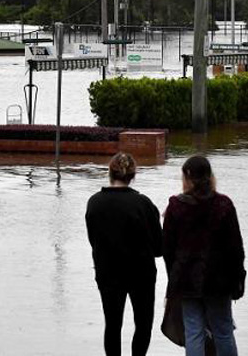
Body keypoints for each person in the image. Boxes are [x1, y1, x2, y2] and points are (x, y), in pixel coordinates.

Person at [163, 155, 246, 356]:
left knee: (193, 332)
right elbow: (236, 247)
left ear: (187, 179)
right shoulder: (224, 205)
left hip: (186, 280)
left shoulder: (175, 206)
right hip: (219, 281)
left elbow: (167, 249)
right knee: (223, 330)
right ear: (210, 176)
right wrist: (238, 280)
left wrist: (173, 280)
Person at [85, 152, 163, 356]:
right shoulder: (143, 204)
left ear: (109, 172)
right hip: (141, 275)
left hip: (108, 273)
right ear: (133, 176)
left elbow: (93, 240)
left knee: (112, 325)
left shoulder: (94, 203)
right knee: (143, 324)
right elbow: (158, 248)